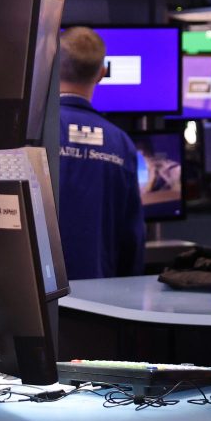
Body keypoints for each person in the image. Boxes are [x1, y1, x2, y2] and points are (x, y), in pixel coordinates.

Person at [56, 26, 145, 280]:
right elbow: (132, 237)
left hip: (36, 296)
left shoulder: (36, 131)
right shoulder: (121, 143)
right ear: (102, 74)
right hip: (99, 298)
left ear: (51, 66)